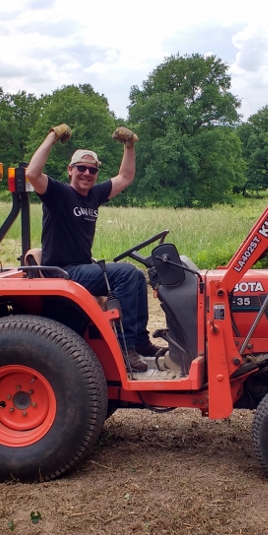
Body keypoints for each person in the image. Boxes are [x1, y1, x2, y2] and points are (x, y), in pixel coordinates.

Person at [24, 123, 162, 372]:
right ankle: (125, 347)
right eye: (81, 168)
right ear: (70, 170)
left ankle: (139, 341)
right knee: (127, 274)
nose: (87, 173)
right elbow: (33, 173)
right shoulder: (58, 193)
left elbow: (126, 177)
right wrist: (53, 136)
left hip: (82, 267)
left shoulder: (94, 196)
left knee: (138, 277)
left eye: (92, 170)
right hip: (63, 270)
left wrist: (129, 146)